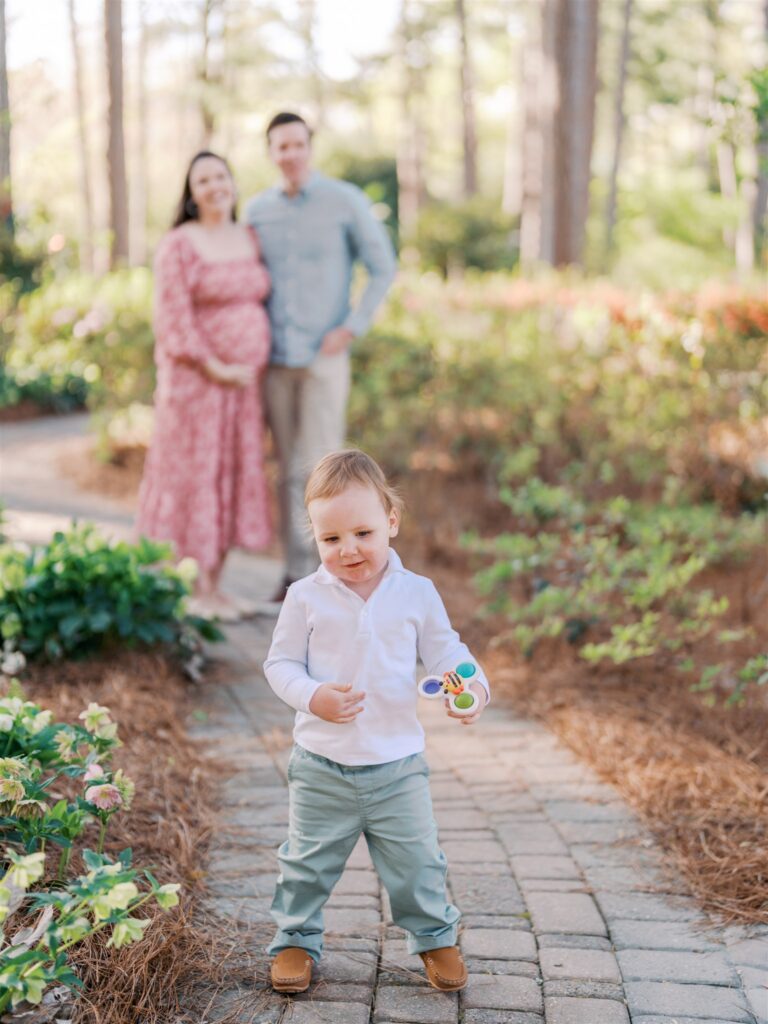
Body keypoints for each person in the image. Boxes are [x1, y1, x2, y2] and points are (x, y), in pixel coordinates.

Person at [263, 449, 490, 994]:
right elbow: (279, 664)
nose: (349, 550)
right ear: (314, 538)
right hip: (322, 766)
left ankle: (436, 937)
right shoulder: (305, 596)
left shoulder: (416, 593)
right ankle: (295, 939)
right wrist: (312, 695)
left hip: (397, 767)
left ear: (392, 521)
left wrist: (473, 687)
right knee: (305, 865)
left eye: (363, 532)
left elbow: (446, 653)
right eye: (331, 539)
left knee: (417, 864)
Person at [245, 113, 397, 601]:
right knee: (288, 468)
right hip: (275, 359)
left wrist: (352, 326)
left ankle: (331, 578)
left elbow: (382, 267)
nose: (289, 154)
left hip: (324, 358)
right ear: (271, 153)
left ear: (309, 147)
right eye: (279, 147)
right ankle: (294, 576)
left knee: (323, 471)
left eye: (296, 144)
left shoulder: (343, 200)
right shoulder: (257, 211)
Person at [136, 151, 272, 620]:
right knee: (194, 477)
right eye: (203, 180)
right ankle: (189, 586)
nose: (214, 185)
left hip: (242, 390)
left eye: (220, 176)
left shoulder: (248, 236)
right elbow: (173, 318)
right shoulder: (179, 243)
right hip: (197, 385)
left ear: (233, 183)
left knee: (230, 477)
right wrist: (216, 367)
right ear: (191, 194)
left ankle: (216, 587)